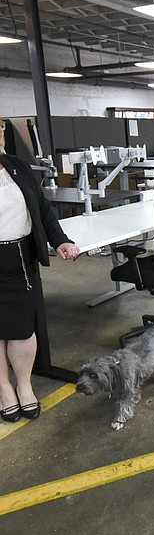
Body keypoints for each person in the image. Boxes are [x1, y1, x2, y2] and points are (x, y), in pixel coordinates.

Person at [0, 120, 80, 423]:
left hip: (20, 258)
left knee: (22, 329)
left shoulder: (17, 166)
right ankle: (4, 388)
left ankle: (24, 386)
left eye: (1, 128)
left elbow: (43, 209)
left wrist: (60, 240)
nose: (0, 133)